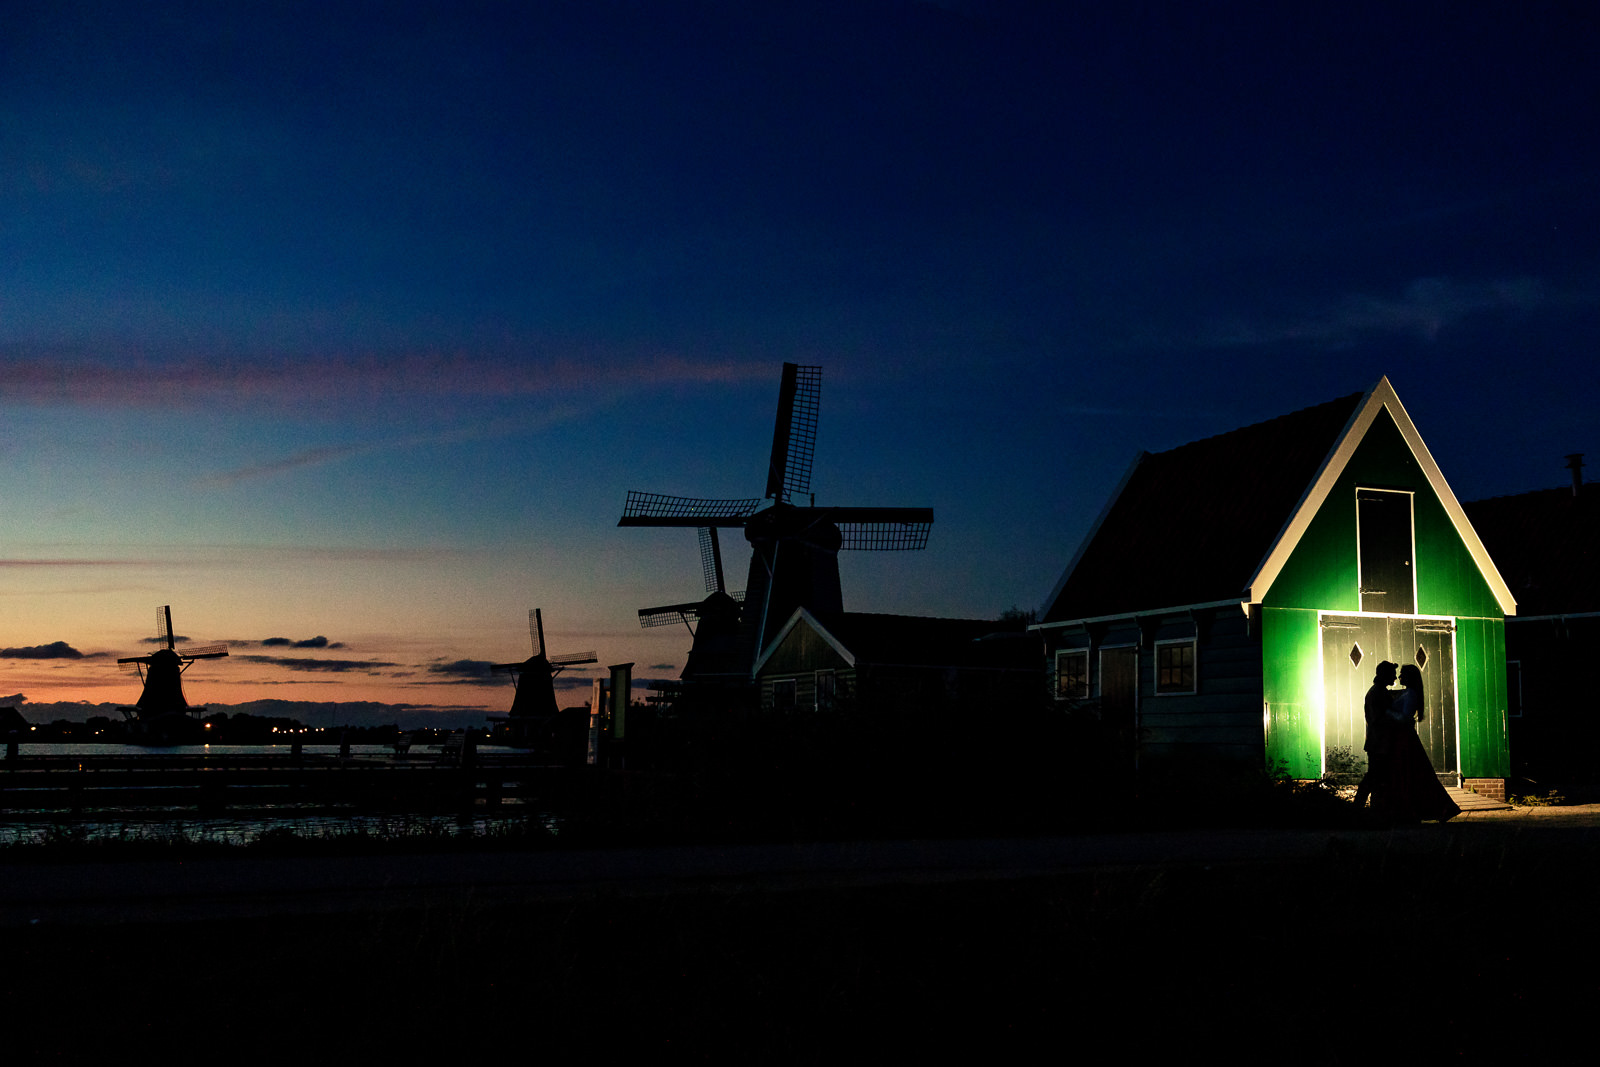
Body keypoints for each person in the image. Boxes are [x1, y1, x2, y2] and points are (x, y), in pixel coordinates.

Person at [1384, 663, 1461, 823]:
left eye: (1402, 674)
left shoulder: (1411, 694)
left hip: (1405, 738)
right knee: (1416, 774)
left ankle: (1440, 807)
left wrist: (1387, 712)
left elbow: (1405, 718)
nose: (1399, 677)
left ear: (1409, 677)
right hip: (1403, 737)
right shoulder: (1407, 692)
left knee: (1415, 774)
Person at [1352, 660, 1398, 814]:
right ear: (1385, 675)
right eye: (1393, 674)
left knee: (1376, 777)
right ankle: (1358, 809)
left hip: (1378, 742)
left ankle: (1371, 809)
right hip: (1379, 743)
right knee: (1374, 776)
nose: (1395, 678)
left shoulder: (1378, 691)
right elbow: (1377, 719)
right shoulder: (1378, 693)